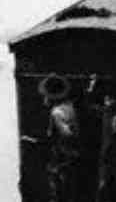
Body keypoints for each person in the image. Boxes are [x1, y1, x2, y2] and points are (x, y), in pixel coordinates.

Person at [39, 74, 82, 202]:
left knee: (60, 194)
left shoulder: (56, 113)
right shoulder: (69, 106)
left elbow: (67, 133)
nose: (44, 98)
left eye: (46, 95)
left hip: (62, 160)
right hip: (72, 158)